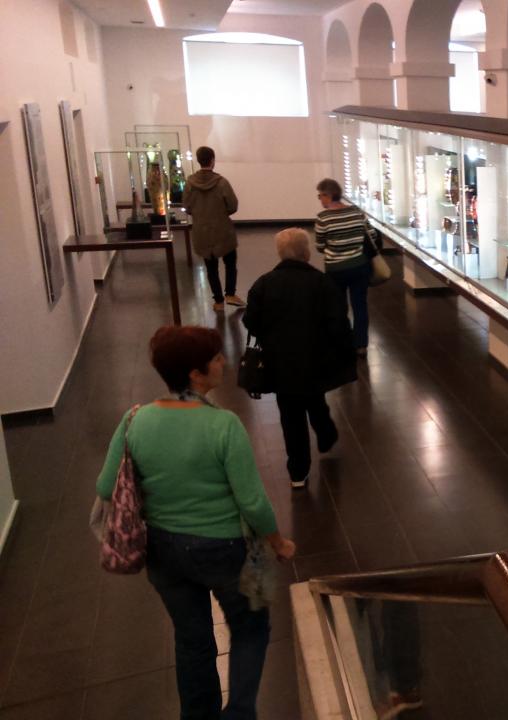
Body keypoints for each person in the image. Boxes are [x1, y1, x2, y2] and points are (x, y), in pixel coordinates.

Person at [96, 325, 296, 720]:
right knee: (250, 627)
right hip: (223, 550)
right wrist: (278, 542)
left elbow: (105, 486)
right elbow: (253, 503)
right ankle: (239, 713)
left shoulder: (134, 420)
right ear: (195, 373)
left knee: (192, 639)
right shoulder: (224, 425)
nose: (224, 362)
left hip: (162, 552)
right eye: (216, 358)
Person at [243, 228, 357, 489]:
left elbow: (251, 322)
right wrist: (346, 352)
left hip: (279, 363)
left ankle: (298, 471)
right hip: (316, 358)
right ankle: (326, 434)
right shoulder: (322, 283)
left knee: (290, 415)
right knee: (315, 398)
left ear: (280, 253)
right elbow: (338, 323)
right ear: (306, 252)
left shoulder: (264, 284)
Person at [314, 178, 374, 355]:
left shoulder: (323, 218)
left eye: (320, 196)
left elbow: (319, 246)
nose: (320, 199)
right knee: (360, 305)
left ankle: (343, 341)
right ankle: (361, 345)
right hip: (359, 265)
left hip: (335, 269)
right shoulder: (357, 212)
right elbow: (371, 234)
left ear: (328, 195)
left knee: (338, 306)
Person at [187, 146, 242, 311]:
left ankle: (218, 301)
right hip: (223, 231)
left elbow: (187, 207)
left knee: (211, 268)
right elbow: (233, 205)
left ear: (198, 160)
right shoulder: (222, 182)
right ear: (212, 160)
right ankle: (230, 294)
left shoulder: (190, 184)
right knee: (230, 263)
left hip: (202, 232)